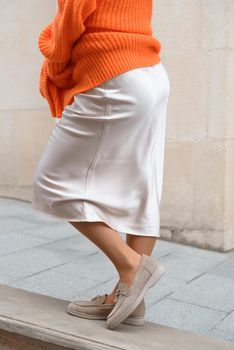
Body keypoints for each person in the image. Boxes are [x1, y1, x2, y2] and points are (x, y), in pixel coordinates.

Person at [32, 0, 170, 329]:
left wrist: (55, 64)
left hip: (111, 74)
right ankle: (129, 296)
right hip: (150, 72)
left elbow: (71, 18)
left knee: (51, 185)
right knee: (142, 185)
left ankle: (132, 268)